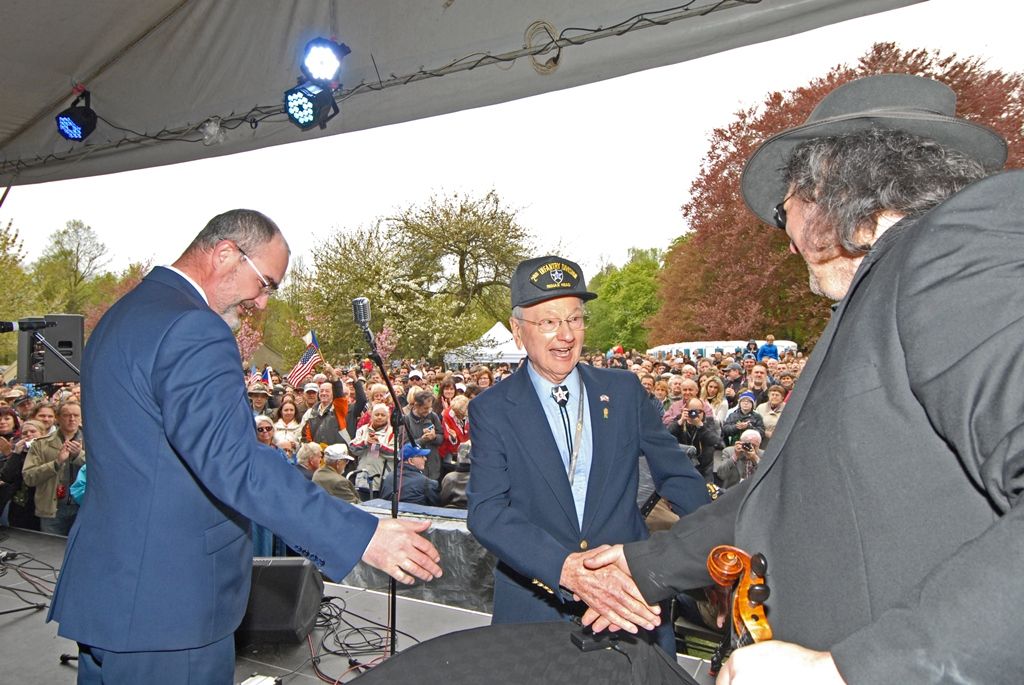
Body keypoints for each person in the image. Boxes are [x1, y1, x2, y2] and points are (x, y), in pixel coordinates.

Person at [578, 74, 1020, 684]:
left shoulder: (955, 248)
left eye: (784, 212)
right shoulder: (888, 294)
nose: (787, 243)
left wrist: (846, 672)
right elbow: (793, 492)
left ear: (828, 191)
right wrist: (642, 565)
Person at [47, 209, 442, 684]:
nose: (262, 301)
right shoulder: (191, 327)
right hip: (169, 604)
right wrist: (363, 534)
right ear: (225, 254)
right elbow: (234, 462)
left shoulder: (123, 316)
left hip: (113, 590)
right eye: (266, 283)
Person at [467, 255, 710, 655]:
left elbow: (679, 477)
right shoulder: (491, 409)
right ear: (517, 331)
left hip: (630, 604)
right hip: (535, 610)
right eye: (548, 322)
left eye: (575, 319)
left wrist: (710, 554)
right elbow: (487, 511)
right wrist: (566, 569)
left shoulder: (625, 390)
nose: (565, 335)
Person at [22, 400, 85, 535]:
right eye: (66, 415)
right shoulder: (41, 444)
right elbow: (29, 476)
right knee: (52, 551)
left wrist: (79, 456)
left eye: (76, 415)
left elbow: (105, 471)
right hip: (52, 509)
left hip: (84, 508)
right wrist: (56, 463)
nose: (71, 419)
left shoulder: (94, 442)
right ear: (58, 418)